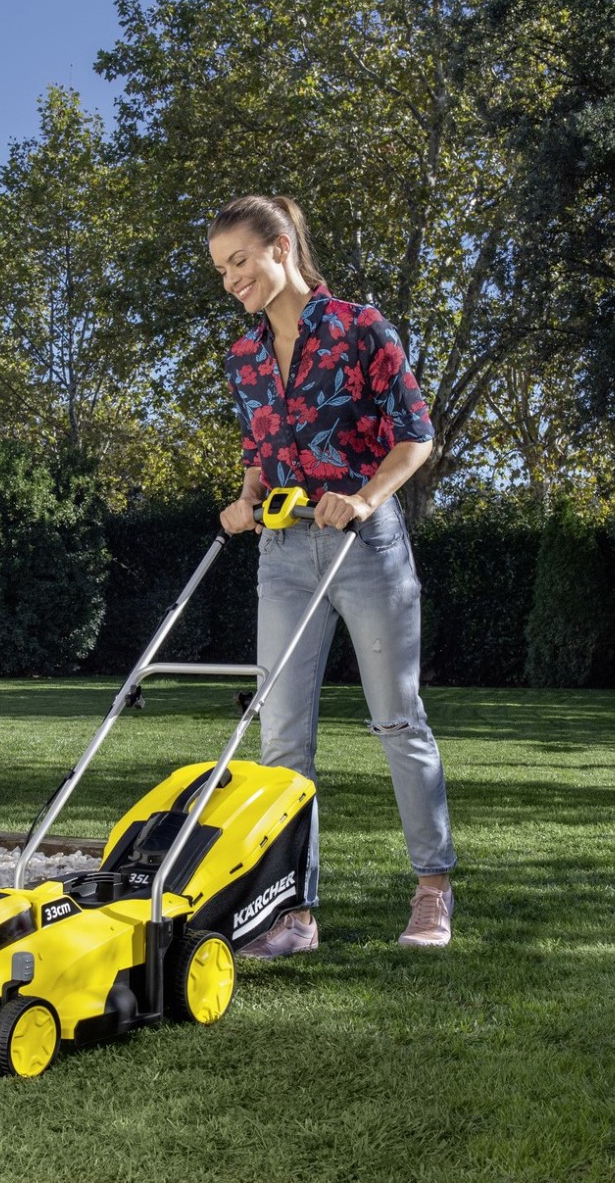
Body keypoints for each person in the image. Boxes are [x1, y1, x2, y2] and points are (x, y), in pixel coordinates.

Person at [209, 194, 456, 956]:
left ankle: (433, 890)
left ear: (281, 247)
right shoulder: (245, 356)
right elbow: (260, 451)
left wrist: (365, 498)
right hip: (283, 554)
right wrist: (246, 498)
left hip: (365, 547)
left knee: (397, 719)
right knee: (281, 735)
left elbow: (416, 435)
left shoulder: (360, 327)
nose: (232, 280)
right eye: (222, 270)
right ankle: (294, 913)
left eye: (240, 261)